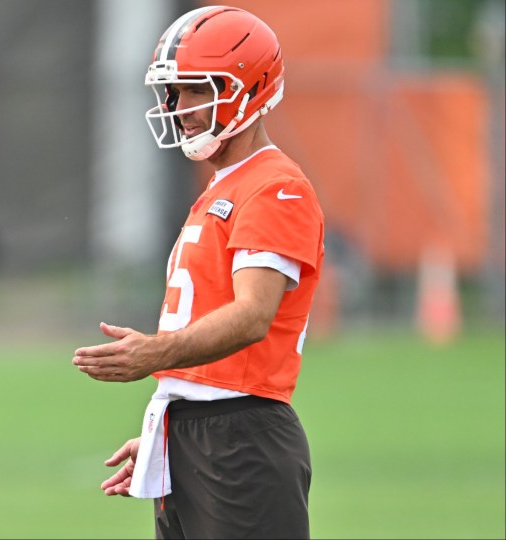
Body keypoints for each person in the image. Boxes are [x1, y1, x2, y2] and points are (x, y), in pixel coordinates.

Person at [72, 6, 324, 539]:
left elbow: (253, 316)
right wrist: (172, 422)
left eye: (194, 90)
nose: (179, 108)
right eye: (174, 93)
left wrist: (152, 355)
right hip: (199, 435)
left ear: (247, 90)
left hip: (241, 437)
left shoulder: (275, 186)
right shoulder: (222, 185)